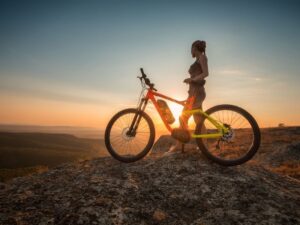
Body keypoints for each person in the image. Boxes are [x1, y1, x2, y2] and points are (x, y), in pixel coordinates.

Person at [165, 40, 209, 154]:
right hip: (193, 92)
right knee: (198, 120)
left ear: (195, 48)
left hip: (197, 92)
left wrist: (192, 79)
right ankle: (203, 146)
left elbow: (206, 73)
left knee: (184, 118)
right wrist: (191, 83)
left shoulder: (202, 58)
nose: (190, 51)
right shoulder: (198, 59)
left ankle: (180, 145)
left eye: (191, 48)